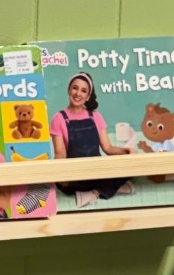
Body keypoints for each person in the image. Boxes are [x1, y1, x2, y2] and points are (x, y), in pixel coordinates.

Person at [50, 73, 134, 205]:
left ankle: (93, 193)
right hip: (74, 176)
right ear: (68, 90)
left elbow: (108, 148)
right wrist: (62, 174)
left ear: (88, 96)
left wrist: (128, 152)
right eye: (75, 88)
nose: (78, 93)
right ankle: (109, 189)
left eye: (83, 91)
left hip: (96, 173)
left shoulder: (95, 116)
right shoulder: (58, 118)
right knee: (62, 184)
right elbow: (60, 153)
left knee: (130, 169)